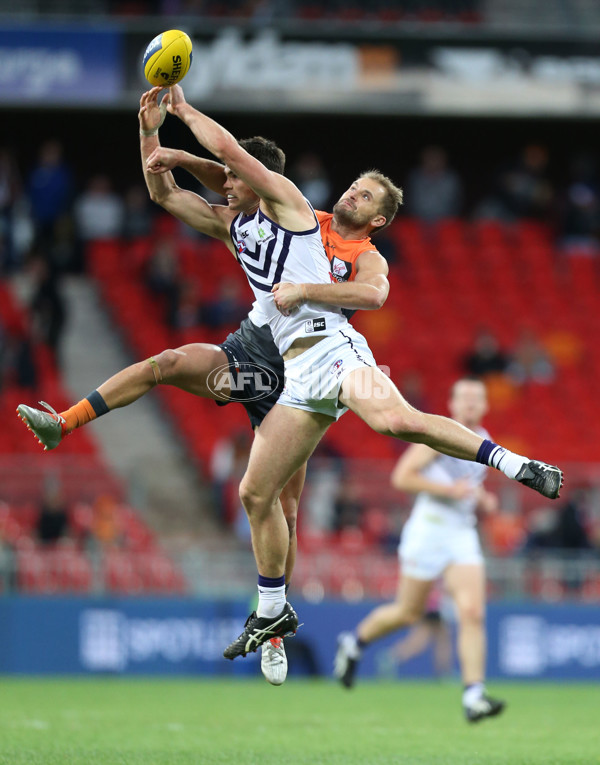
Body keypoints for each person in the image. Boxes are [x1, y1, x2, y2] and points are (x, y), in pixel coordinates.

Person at [20, 86, 562, 672]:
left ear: (378, 217)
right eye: (354, 185)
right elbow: (205, 179)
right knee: (254, 491)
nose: (351, 192)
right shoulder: (261, 220)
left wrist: (180, 110)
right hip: (278, 362)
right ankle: (272, 613)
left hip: (332, 348)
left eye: (365, 193)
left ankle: (516, 465)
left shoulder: (326, 228)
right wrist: (156, 138)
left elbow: (250, 172)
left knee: (392, 424)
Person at [16, 88, 394, 686]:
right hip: (247, 358)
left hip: (294, 373)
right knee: (166, 362)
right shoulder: (230, 223)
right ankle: (63, 423)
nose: (225, 187)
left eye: (234, 178)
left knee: (281, 505)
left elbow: (225, 162)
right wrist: (148, 135)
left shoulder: (293, 215)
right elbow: (162, 192)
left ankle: (273, 624)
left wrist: (182, 131)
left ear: (252, 178)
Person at [334, 379, 506, 722]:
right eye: (464, 398)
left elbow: (467, 487)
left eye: (476, 398)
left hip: (461, 534)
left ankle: (474, 695)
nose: (470, 404)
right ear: (453, 404)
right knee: (408, 612)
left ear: (485, 406)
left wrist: (482, 497)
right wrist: (447, 491)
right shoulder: (441, 434)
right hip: (428, 530)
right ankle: (353, 644)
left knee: (472, 612)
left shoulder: (484, 441)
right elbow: (402, 477)